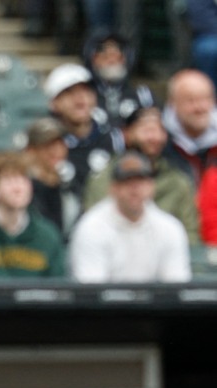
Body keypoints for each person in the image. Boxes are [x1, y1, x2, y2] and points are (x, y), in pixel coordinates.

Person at [69, 150, 192, 283]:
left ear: (151, 187)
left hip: (156, 304)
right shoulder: (91, 227)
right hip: (105, 303)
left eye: (140, 181)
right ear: (113, 188)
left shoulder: (170, 228)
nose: (134, 189)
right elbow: (91, 292)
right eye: (127, 181)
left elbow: (176, 287)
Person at [84, 105, 200, 244]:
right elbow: (94, 230)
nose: (153, 137)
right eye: (146, 129)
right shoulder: (105, 178)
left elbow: (190, 237)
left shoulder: (177, 182)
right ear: (126, 133)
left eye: (159, 130)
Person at [0, 150, 66, 278]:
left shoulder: (48, 235)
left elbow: (58, 288)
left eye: (23, 179)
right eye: (9, 180)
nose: (18, 188)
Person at [43, 62, 120, 201]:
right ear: (53, 103)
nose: (79, 99)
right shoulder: (43, 144)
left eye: (85, 90)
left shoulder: (113, 138)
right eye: (68, 92)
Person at [162, 69, 217, 244]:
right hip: (175, 239)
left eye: (205, 99)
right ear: (172, 104)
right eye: (190, 100)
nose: (199, 107)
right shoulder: (158, 144)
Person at [23, 116, 82, 241]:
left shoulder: (69, 185)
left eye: (60, 144)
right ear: (30, 150)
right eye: (47, 145)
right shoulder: (24, 189)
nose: (56, 150)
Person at [82, 31, 155, 128]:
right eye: (102, 50)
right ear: (91, 58)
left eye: (119, 49)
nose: (112, 56)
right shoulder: (81, 96)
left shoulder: (143, 96)